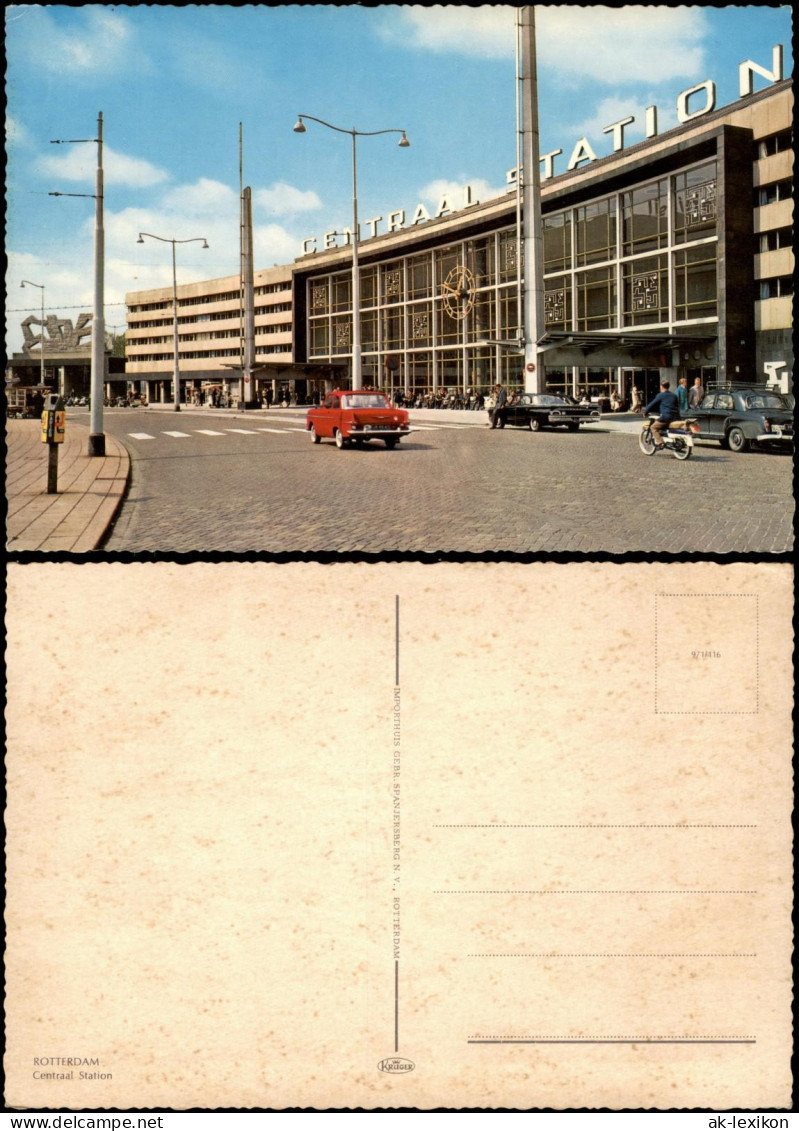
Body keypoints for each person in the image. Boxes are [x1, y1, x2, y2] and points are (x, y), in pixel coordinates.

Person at [644, 380, 680, 448]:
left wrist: (645, 411)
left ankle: (660, 443)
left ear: (661, 387)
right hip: (675, 417)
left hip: (666, 417)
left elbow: (652, 404)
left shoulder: (661, 395)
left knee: (653, 427)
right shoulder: (674, 395)